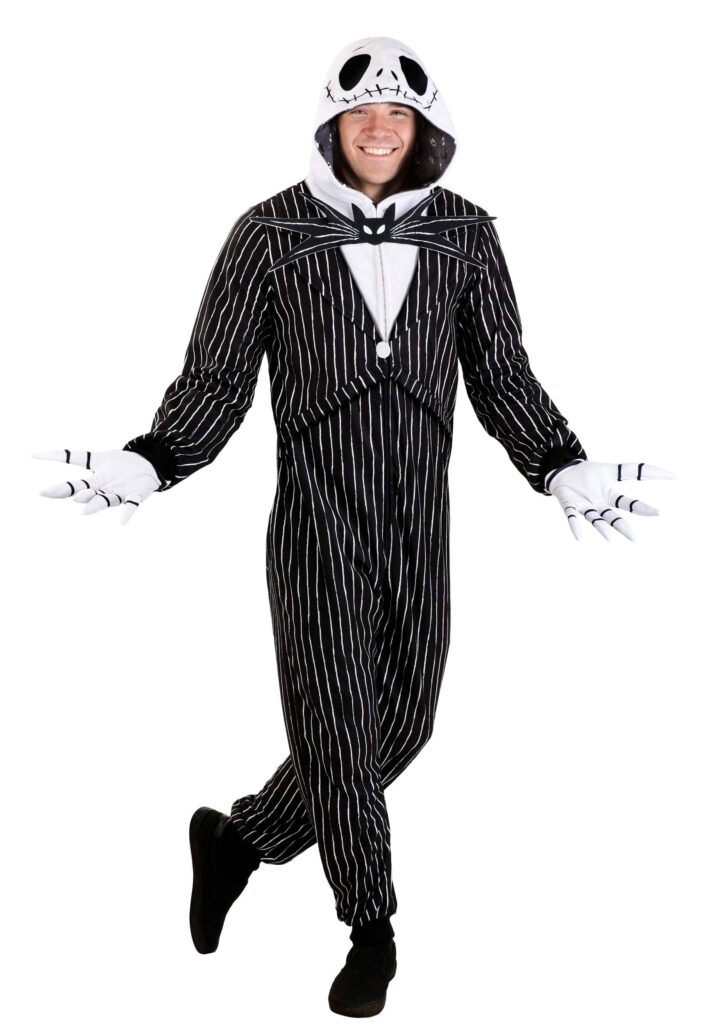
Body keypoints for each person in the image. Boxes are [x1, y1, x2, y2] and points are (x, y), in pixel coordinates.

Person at [33, 35, 675, 1018]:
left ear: (425, 126)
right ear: (331, 125)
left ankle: (240, 840)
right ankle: (371, 928)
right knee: (337, 718)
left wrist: (558, 461)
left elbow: (500, 370)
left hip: (421, 513)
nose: (378, 127)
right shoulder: (268, 232)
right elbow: (216, 378)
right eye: (360, 113)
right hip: (316, 512)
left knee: (401, 725)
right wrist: (154, 458)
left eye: (397, 113)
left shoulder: (464, 233)